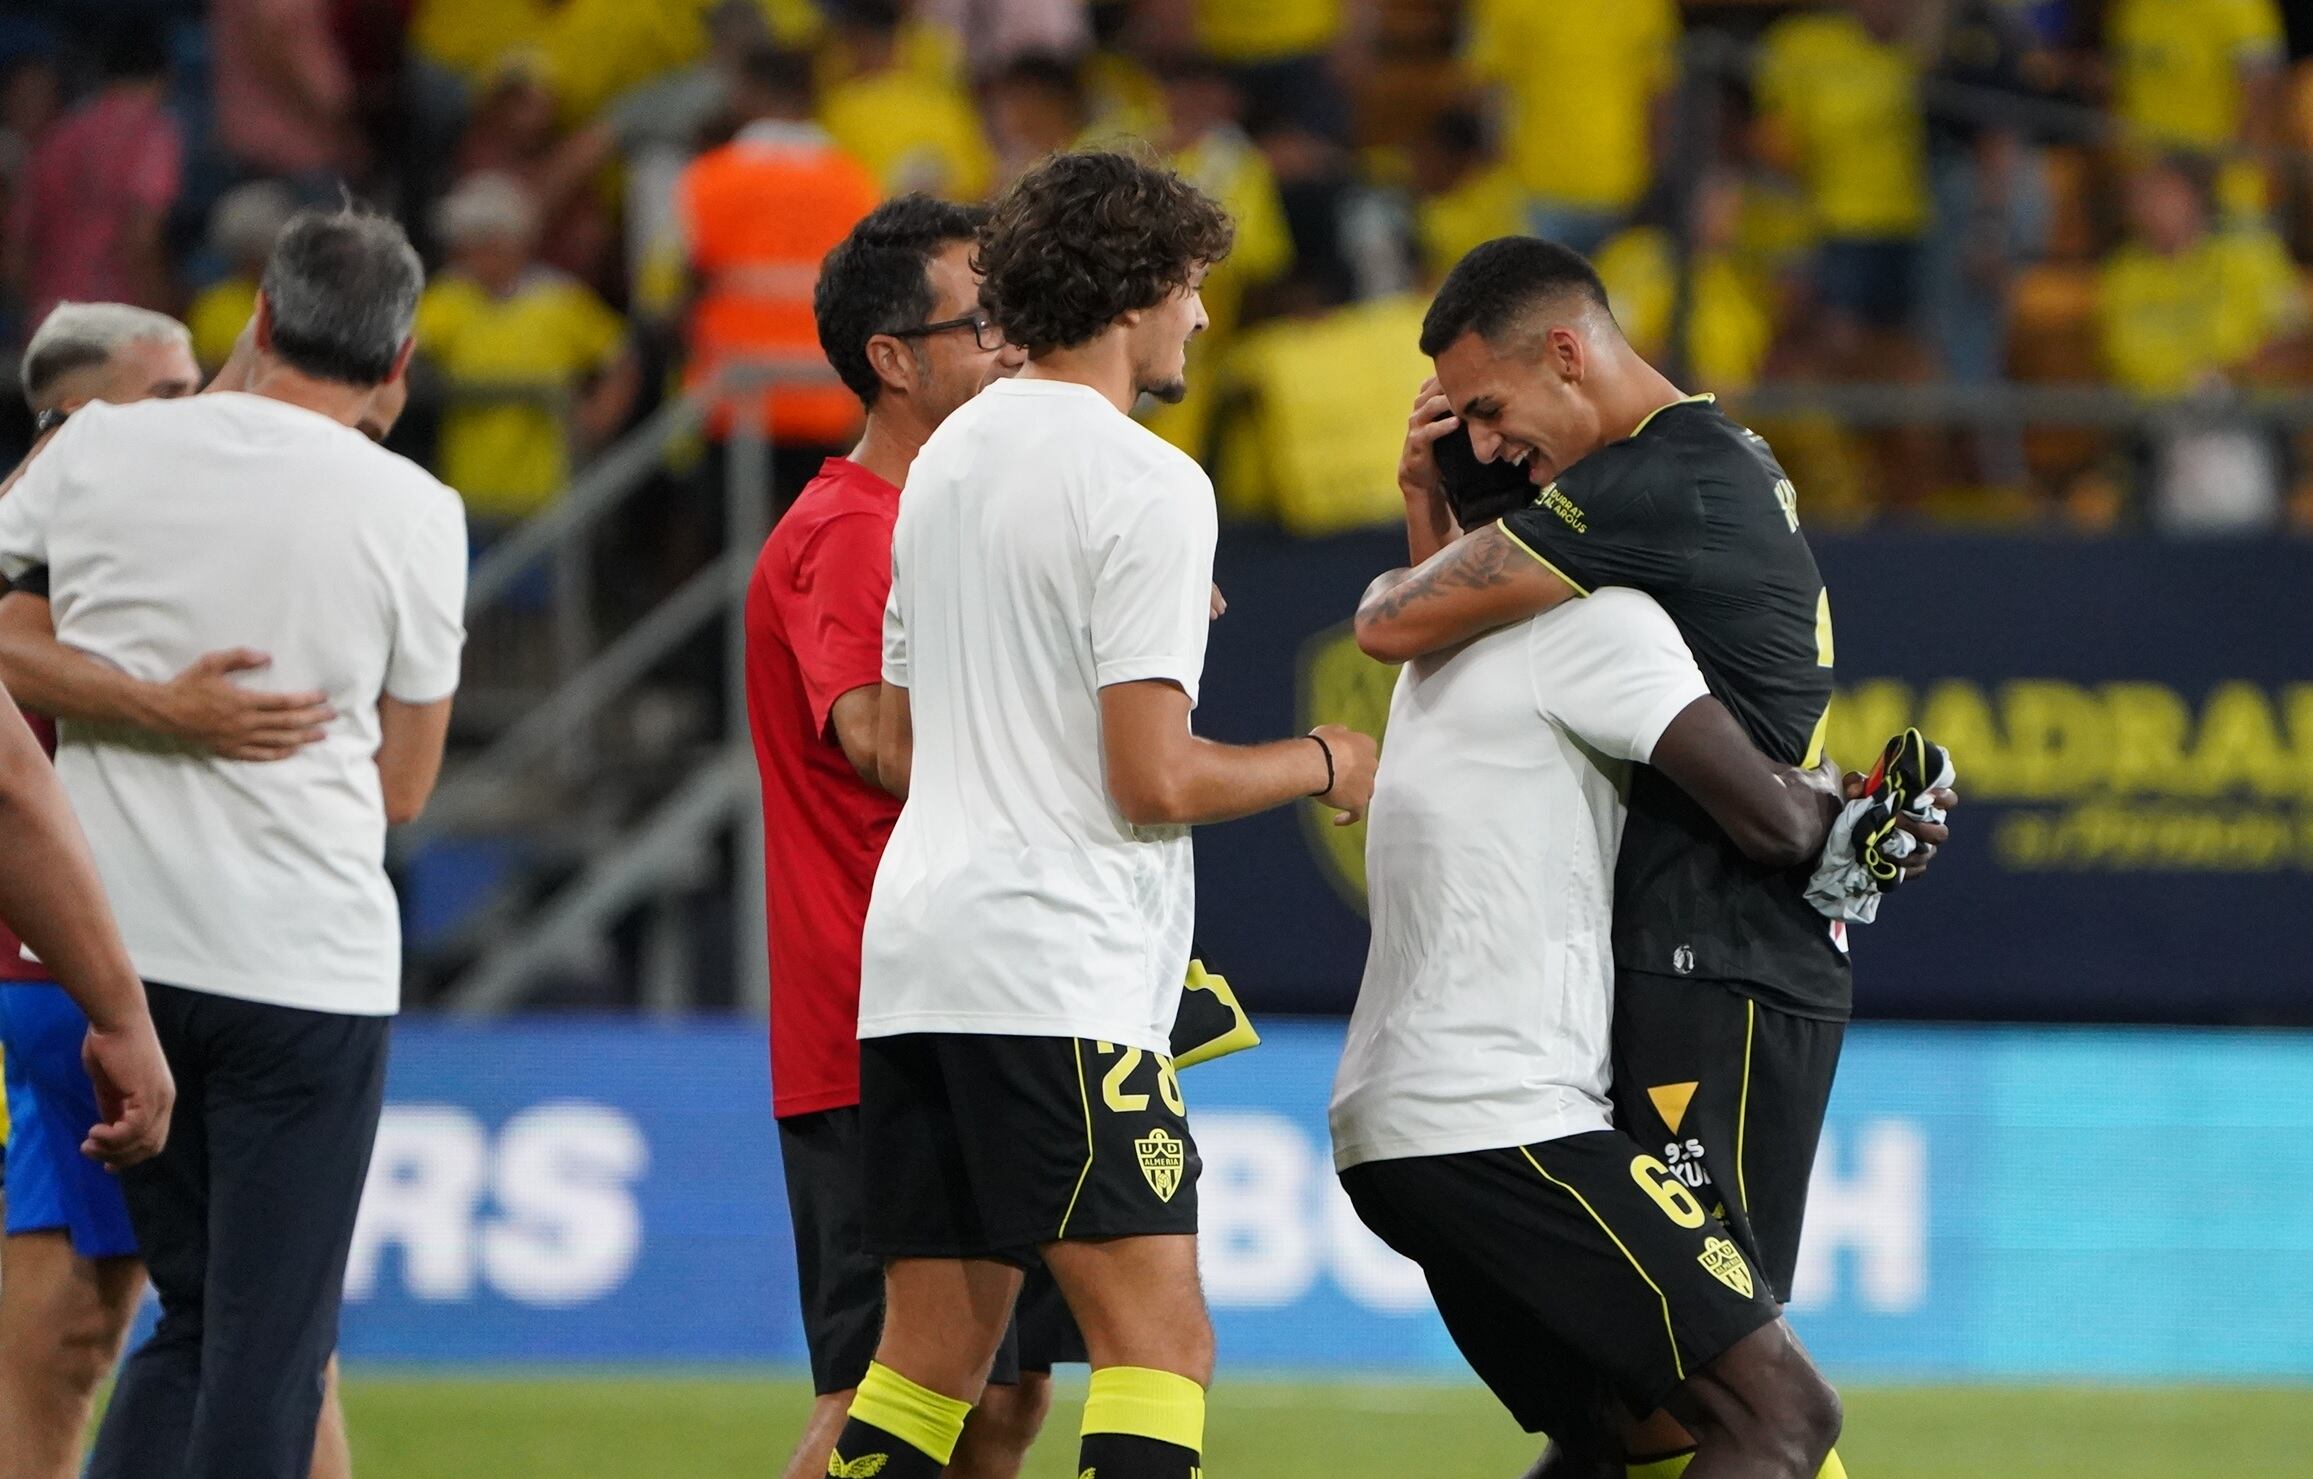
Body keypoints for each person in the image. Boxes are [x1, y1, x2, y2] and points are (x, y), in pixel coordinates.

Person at [1354, 237, 1941, 1478]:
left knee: (1735, 1407)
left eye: (1492, 411)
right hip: (1711, 956)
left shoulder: (1643, 488)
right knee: (1671, 1410)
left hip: (1714, 962)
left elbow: (1390, 620)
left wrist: (1434, 504)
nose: (1491, 443)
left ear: (1569, 353)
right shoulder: (1698, 469)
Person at [828, 150, 1377, 1479]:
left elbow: (901, 733)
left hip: (916, 958)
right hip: (1054, 967)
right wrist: (1324, 757)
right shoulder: (1146, 482)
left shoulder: (946, 464)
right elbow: (1156, 780)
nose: (1199, 317)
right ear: (1135, 292)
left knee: (923, 1363)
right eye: (1190, 287)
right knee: (1160, 1342)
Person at [0, 206, 466, 1479]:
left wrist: (136, 704)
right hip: (300, 976)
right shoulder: (417, 511)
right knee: (269, 1346)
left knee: (195, 1320)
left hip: (118, 967)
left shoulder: (97, 451)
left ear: (258, 318)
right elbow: (407, 787)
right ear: (401, 359)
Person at [749, 193, 1063, 1479]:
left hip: (973, 1005)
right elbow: (879, 739)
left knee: (1005, 1394)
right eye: (984, 321)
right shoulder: (849, 531)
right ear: (894, 357)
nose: (1012, 347)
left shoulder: (949, 518)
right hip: (873, 1028)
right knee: (889, 1390)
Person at [672, 45, 879, 494]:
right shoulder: (855, 181)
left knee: (739, 551)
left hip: (733, 396)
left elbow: (677, 285)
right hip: (825, 397)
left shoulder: (709, 179)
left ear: (749, 93)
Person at [415, 172, 640, 526]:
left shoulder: (558, 300)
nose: (464, 253)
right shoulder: (450, 298)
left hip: (545, 498)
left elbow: (621, 356)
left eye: (475, 241)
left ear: (507, 242)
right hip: (467, 495)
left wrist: (598, 418)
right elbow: (403, 348)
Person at [6, 25, 182, 328]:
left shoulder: (57, 135)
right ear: (162, 79)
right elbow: (141, 240)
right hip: (117, 326)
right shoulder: (152, 132)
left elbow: (15, 253)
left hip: (51, 322)